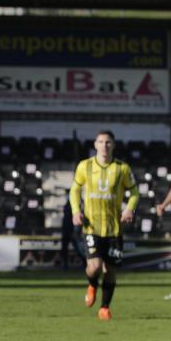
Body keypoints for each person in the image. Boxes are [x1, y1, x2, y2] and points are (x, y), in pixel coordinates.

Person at [69, 130, 138, 320]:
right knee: (95, 267)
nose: (104, 145)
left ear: (113, 145)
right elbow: (74, 190)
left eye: (108, 142)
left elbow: (135, 192)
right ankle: (92, 284)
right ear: (95, 145)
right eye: (101, 142)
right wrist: (76, 211)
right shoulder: (85, 166)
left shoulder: (122, 168)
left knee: (111, 269)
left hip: (114, 229)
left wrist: (129, 209)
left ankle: (104, 308)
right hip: (92, 227)